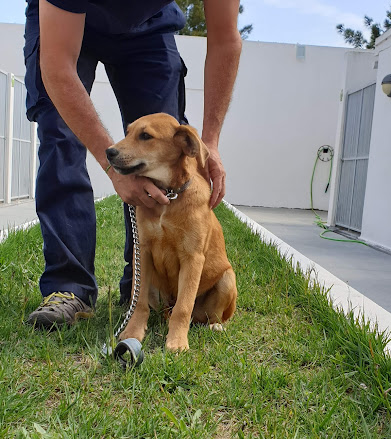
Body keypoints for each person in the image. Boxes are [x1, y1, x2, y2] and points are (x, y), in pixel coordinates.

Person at [24, 0, 242, 327]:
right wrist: (114, 168)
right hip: (66, 22)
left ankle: (142, 287)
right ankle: (69, 287)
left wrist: (209, 140)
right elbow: (56, 65)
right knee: (59, 134)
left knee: (163, 144)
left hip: (149, 26)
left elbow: (225, 40)